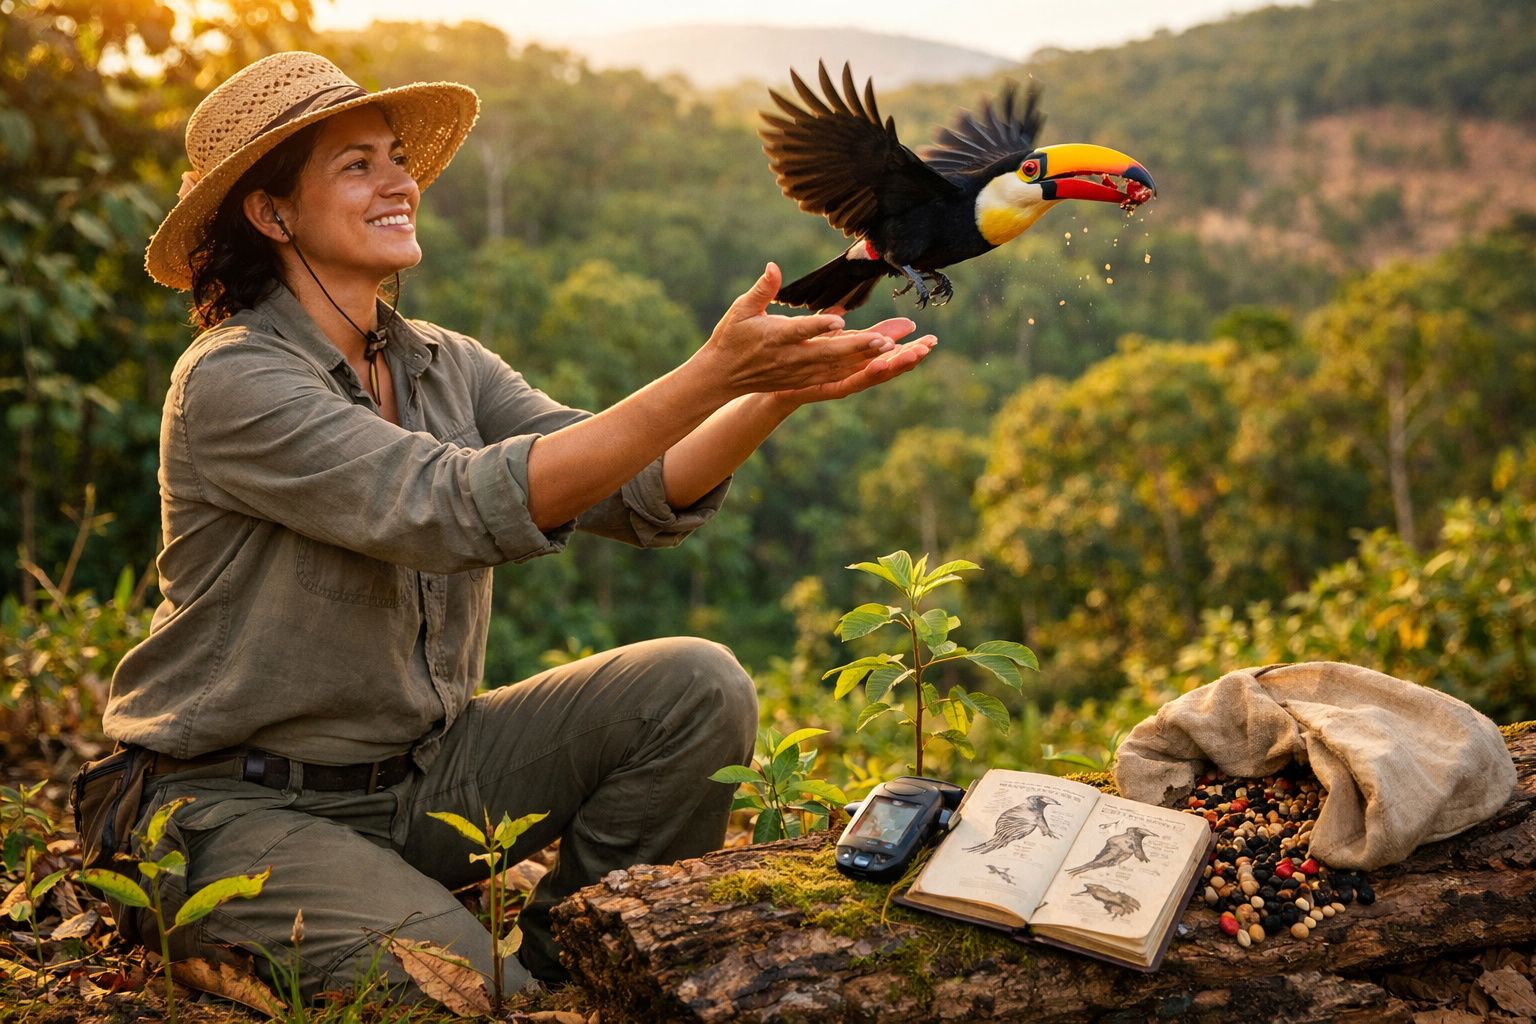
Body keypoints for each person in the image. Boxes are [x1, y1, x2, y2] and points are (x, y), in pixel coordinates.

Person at [95, 50, 936, 1001]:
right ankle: (519, 989)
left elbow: (633, 487)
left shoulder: (444, 364)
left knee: (694, 686)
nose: (399, 182)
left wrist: (773, 393)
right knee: (479, 997)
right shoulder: (232, 381)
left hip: (419, 778)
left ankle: (584, 964)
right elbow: (452, 504)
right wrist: (711, 371)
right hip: (233, 801)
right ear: (271, 212)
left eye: (396, 158)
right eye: (356, 165)